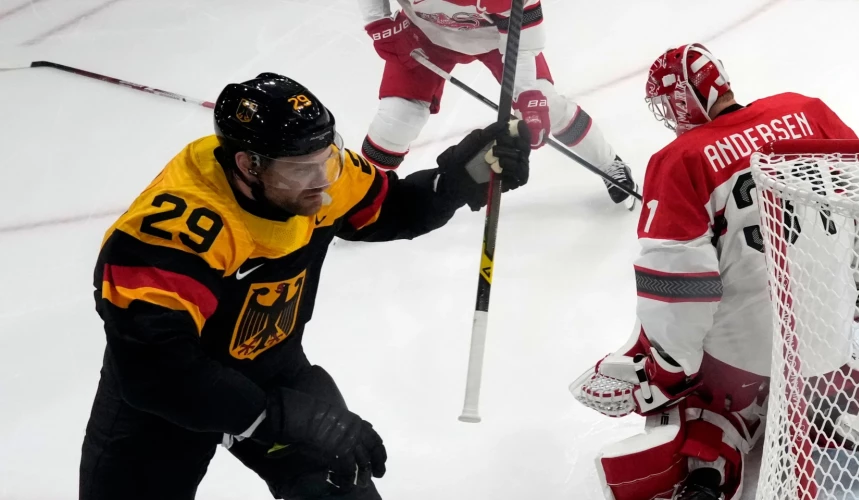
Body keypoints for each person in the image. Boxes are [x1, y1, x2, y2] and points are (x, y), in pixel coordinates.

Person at [80, 72, 531, 500]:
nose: (324, 183)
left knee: (340, 486)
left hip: (271, 369)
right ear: (247, 165)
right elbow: (156, 369)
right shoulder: (174, 228)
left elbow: (392, 209)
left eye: (326, 159)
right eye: (302, 169)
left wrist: (458, 178)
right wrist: (281, 417)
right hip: (165, 404)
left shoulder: (317, 176)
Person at [568, 43, 859, 500]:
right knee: (811, 339)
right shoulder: (808, 112)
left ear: (680, 99)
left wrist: (666, 369)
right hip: (827, 334)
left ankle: (710, 462)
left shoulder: (682, 160)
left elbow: (677, 287)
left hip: (742, 361)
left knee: (696, 396)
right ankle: (833, 399)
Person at [357, 0, 638, 207]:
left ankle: (608, 163)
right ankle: (359, 196)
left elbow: (523, 46)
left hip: (497, 39)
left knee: (546, 106)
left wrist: (527, 94)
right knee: (395, 122)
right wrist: (378, 22)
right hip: (422, 34)